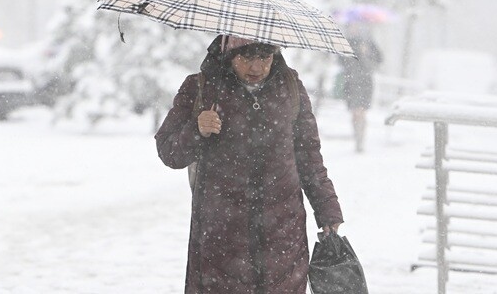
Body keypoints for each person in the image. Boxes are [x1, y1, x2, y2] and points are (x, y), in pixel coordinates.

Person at [155, 34, 343, 294]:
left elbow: (309, 156)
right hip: (220, 237)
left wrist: (327, 210)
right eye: (247, 57)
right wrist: (196, 129)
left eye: (265, 57)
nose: (257, 68)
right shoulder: (202, 87)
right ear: (231, 53)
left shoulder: (290, 86)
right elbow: (169, 151)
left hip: (283, 234)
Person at [340, 28, 382, 153]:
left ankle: (360, 140)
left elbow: (378, 61)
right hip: (351, 82)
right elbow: (342, 63)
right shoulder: (346, 43)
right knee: (354, 112)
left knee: (361, 111)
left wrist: (366, 54)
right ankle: (357, 137)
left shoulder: (370, 44)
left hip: (365, 83)